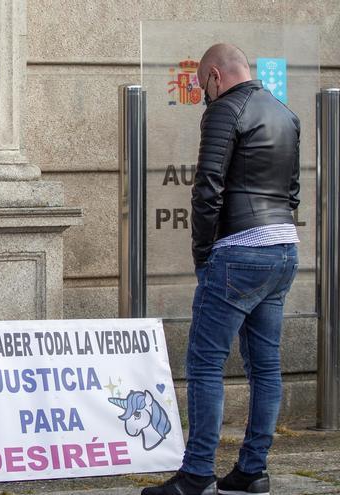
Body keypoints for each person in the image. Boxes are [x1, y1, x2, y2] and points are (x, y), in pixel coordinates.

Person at [142, 43, 300, 495]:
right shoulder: (286, 113)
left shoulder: (225, 110)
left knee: (206, 363)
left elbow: (207, 187)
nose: (203, 95)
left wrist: (202, 253)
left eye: (201, 87)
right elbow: (292, 192)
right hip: (284, 249)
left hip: (238, 251)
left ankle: (197, 475)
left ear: (214, 75)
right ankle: (253, 471)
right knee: (266, 368)